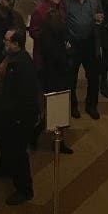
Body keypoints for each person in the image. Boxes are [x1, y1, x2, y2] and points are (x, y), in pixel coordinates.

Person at [0, 27, 39, 205]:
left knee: (17, 152)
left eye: (7, 40)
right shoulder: (12, 58)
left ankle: (24, 189)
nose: (4, 42)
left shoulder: (22, 65)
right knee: (5, 144)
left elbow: (23, 96)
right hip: (5, 114)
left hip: (17, 118)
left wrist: (12, 115)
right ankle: (5, 167)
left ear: (16, 43)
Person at [33, 8, 76, 155]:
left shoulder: (55, 34)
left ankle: (41, 135)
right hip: (54, 80)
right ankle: (56, 140)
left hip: (58, 78)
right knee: (56, 111)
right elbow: (60, 58)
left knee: (56, 111)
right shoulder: (48, 39)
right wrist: (67, 51)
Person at [60, 0, 103, 119]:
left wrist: (99, 18)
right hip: (73, 43)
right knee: (71, 77)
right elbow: (61, 19)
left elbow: (100, 12)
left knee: (93, 76)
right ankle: (73, 106)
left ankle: (91, 105)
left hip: (90, 42)